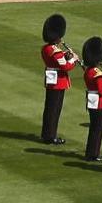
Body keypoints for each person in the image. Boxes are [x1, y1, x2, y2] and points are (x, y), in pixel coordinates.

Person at [38, 13, 74, 144]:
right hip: (58, 82)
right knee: (54, 110)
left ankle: (46, 133)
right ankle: (50, 136)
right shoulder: (55, 51)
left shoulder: (47, 48)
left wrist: (65, 54)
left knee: (49, 108)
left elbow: (56, 60)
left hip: (51, 79)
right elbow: (66, 67)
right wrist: (73, 60)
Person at [79, 37, 102, 165]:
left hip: (91, 99)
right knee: (97, 129)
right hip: (99, 101)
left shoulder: (89, 71)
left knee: (94, 127)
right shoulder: (97, 73)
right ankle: (94, 154)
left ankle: (90, 152)